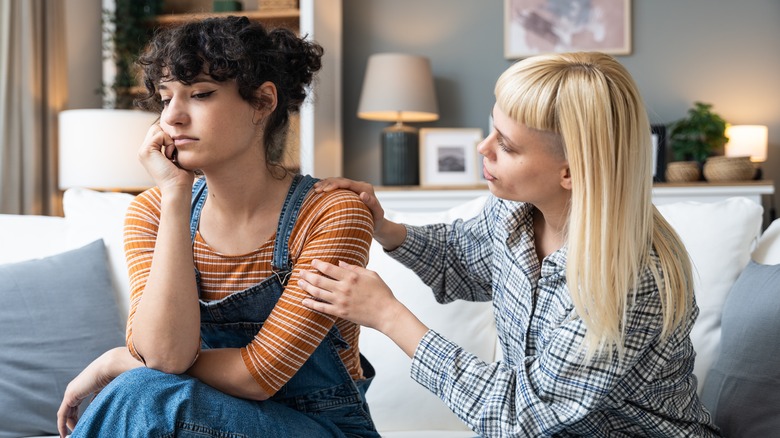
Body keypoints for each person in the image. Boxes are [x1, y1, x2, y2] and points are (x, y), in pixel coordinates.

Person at [298, 52, 721, 437]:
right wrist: (387, 228)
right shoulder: (514, 211)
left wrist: (388, 316)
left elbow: (518, 416)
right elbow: (460, 257)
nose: (483, 148)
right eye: (492, 130)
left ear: (570, 173)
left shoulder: (630, 280)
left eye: (506, 144)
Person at [57, 16, 379, 438]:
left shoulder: (331, 214)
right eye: (166, 97)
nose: (172, 117)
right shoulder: (152, 211)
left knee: (146, 393)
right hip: (197, 425)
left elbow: (258, 377)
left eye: (200, 95)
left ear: (263, 102)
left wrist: (116, 361)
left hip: (320, 427)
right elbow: (164, 356)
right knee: (148, 389)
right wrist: (175, 197)